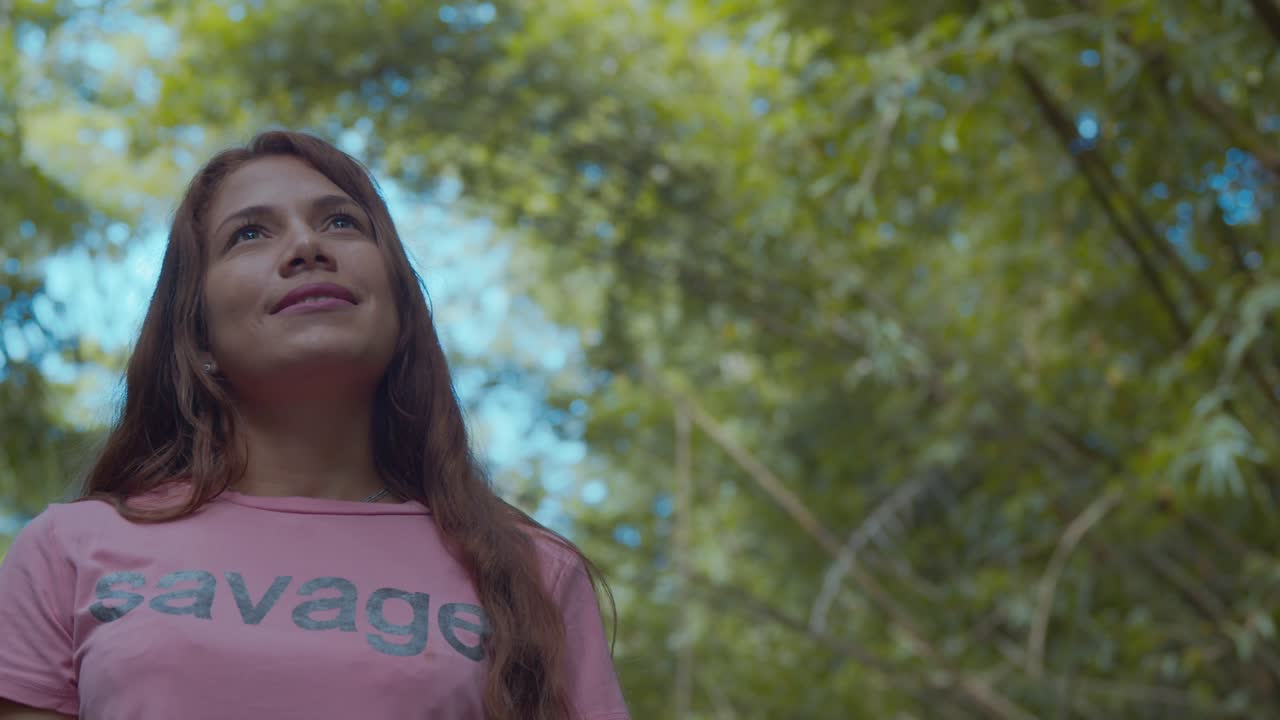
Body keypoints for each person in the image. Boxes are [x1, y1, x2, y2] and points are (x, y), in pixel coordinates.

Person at [0, 131, 629, 720]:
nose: (307, 247)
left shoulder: (532, 573)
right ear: (199, 337)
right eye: (249, 235)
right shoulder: (70, 549)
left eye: (341, 222)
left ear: (401, 311)